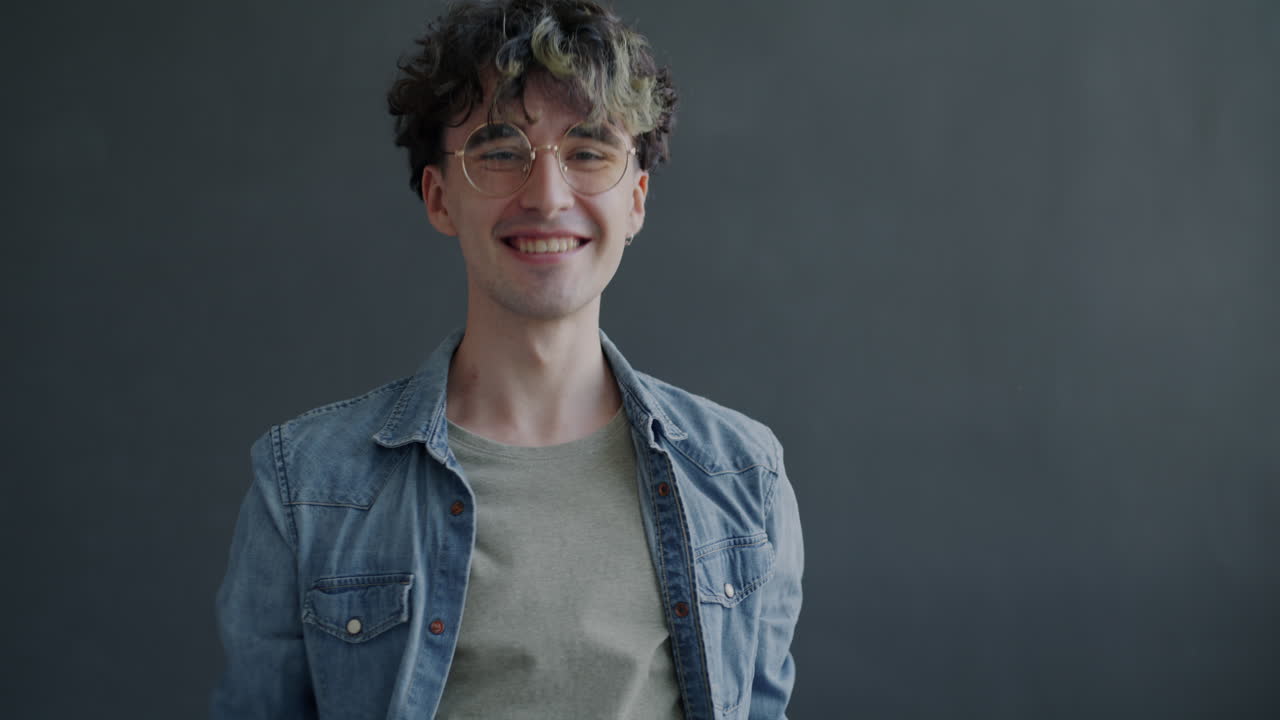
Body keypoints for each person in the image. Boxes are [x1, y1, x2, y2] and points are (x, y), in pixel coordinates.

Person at [210, 1, 802, 718]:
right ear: (439, 198)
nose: (547, 196)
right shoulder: (305, 487)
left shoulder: (742, 477)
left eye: (589, 151)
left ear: (637, 200)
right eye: (498, 151)